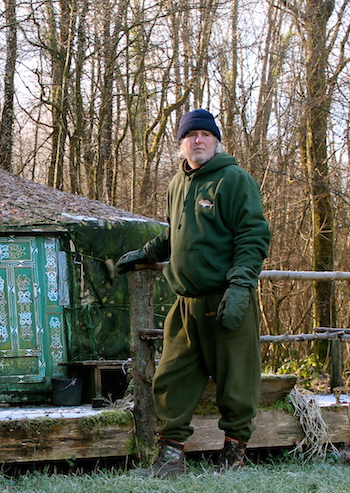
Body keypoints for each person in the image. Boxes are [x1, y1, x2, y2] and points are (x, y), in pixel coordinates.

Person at [115, 109, 271, 477]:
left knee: (236, 380)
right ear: (181, 143)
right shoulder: (177, 185)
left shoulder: (235, 180)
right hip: (186, 303)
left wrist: (241, 285)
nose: (197, 140)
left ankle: (233, 455)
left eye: (205, 134)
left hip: (226, 297)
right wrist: (148, 253)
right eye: (190, 135)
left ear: (216, 140)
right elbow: (176, 235)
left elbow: (253, 235)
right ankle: (171, 458)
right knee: (172, 377)